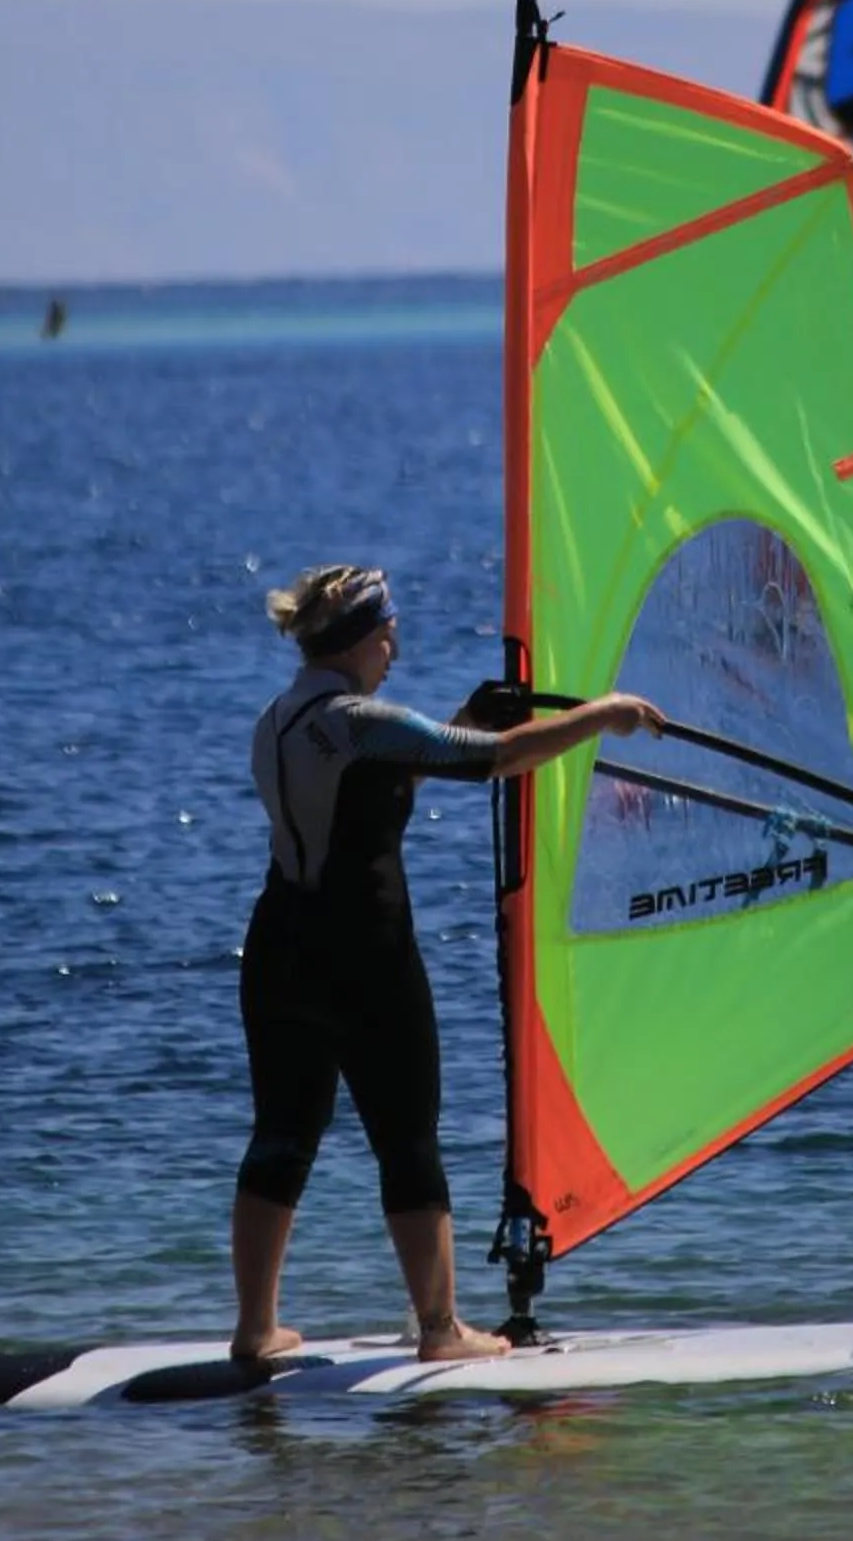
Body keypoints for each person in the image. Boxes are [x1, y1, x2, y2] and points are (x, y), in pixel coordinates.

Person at [232, 562, 665, 1365]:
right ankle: (440, 1329)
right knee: (408, 1136)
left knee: (283, 1134)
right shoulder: (364, 719)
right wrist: (602, 715)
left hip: (279, 948)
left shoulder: (279, 717)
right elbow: (496, 759)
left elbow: (385, 771)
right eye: (390, 633)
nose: (395, 649)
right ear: (367, 637)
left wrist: (463, 718)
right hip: (363, 955)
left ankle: (255, 1331)